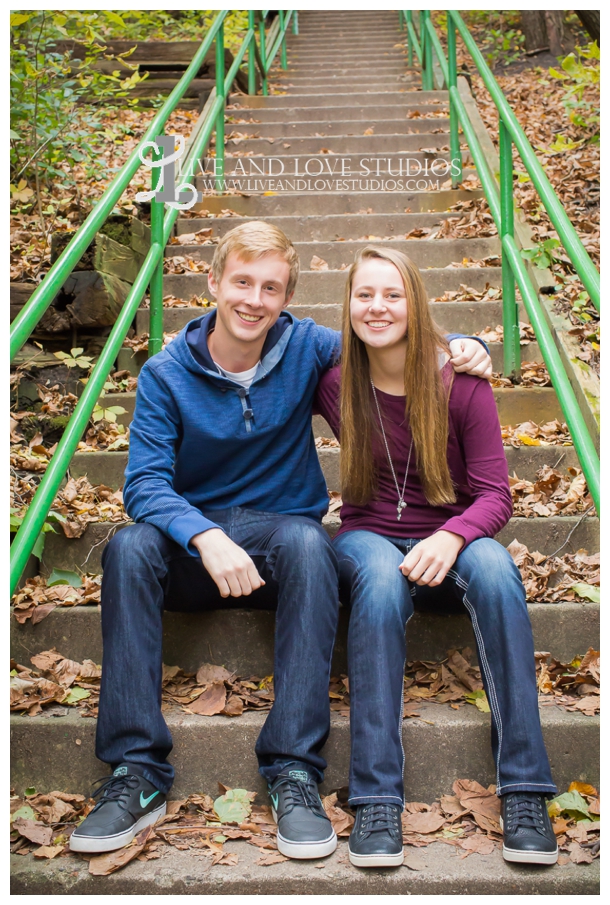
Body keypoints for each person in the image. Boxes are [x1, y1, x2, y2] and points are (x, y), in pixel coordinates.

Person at [69, 222, 491, 858]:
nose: (254, 300)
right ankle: (136, 771)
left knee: (309, 541)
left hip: (280, 545)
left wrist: (465, 343)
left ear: (287, 299)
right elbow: (145, 486)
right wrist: (203, 534)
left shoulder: (305, 347)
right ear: (212, 284)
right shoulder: (164, 373)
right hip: (196, 550)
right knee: (129, 547)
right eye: (241, 282)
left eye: (271, 288)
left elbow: (387, 335)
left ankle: (293, 767)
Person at [314, 246, 558, 869]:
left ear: (415, 302)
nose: (377, 307)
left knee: (500, 571)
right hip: (368, 534)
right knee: (376, 577)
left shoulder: (460, 381)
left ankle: (527, 792)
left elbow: (497, 494)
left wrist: (452, 537)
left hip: (453, 533)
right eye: (364, 294)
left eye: (392, 295)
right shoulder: (334, 381)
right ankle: (375, 798)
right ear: (347, 304)